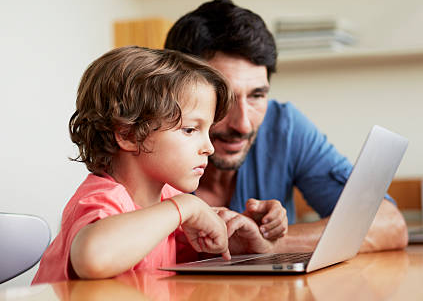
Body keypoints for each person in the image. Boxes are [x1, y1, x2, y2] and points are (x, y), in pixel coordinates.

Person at [164, 0, 408, 252]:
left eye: (257, 95)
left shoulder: (284, 127)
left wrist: (266, 243)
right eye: (223, 98)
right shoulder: (148, 141)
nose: (244, 124)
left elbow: (389, 223)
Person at [33, 46, 286, 284]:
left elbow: (194, 259)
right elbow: (92, 258)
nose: (208, 147)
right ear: (129, 135)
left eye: (207, 130)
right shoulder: (104, 198)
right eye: (190, 129)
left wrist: (236, 242)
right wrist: (185, 207)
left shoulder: (167, 200)